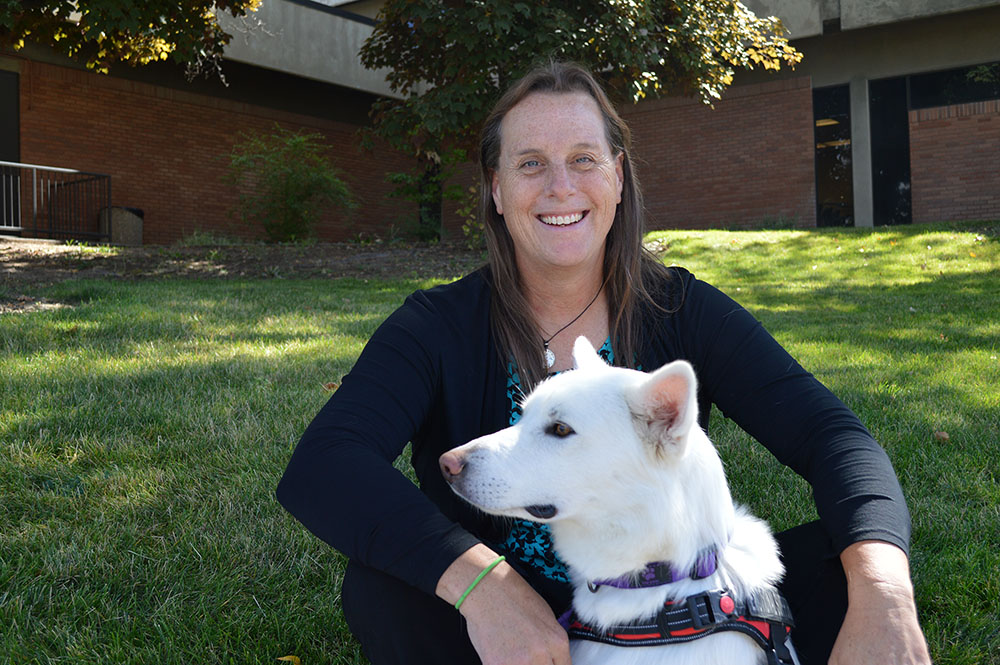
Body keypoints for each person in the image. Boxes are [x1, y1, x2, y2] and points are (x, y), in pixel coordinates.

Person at [276, 62, 930, 665]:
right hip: (505, 625)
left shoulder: (680, 309)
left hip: (668, 604)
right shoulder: (438, 324)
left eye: (583, 159)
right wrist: (485, 584)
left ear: (617, 176)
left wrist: (881, 588)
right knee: (382, 588)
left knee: (845, 558)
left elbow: (831, 436)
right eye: (530, 163)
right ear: (496, 189)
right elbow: (327, 462)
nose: (561, 186)